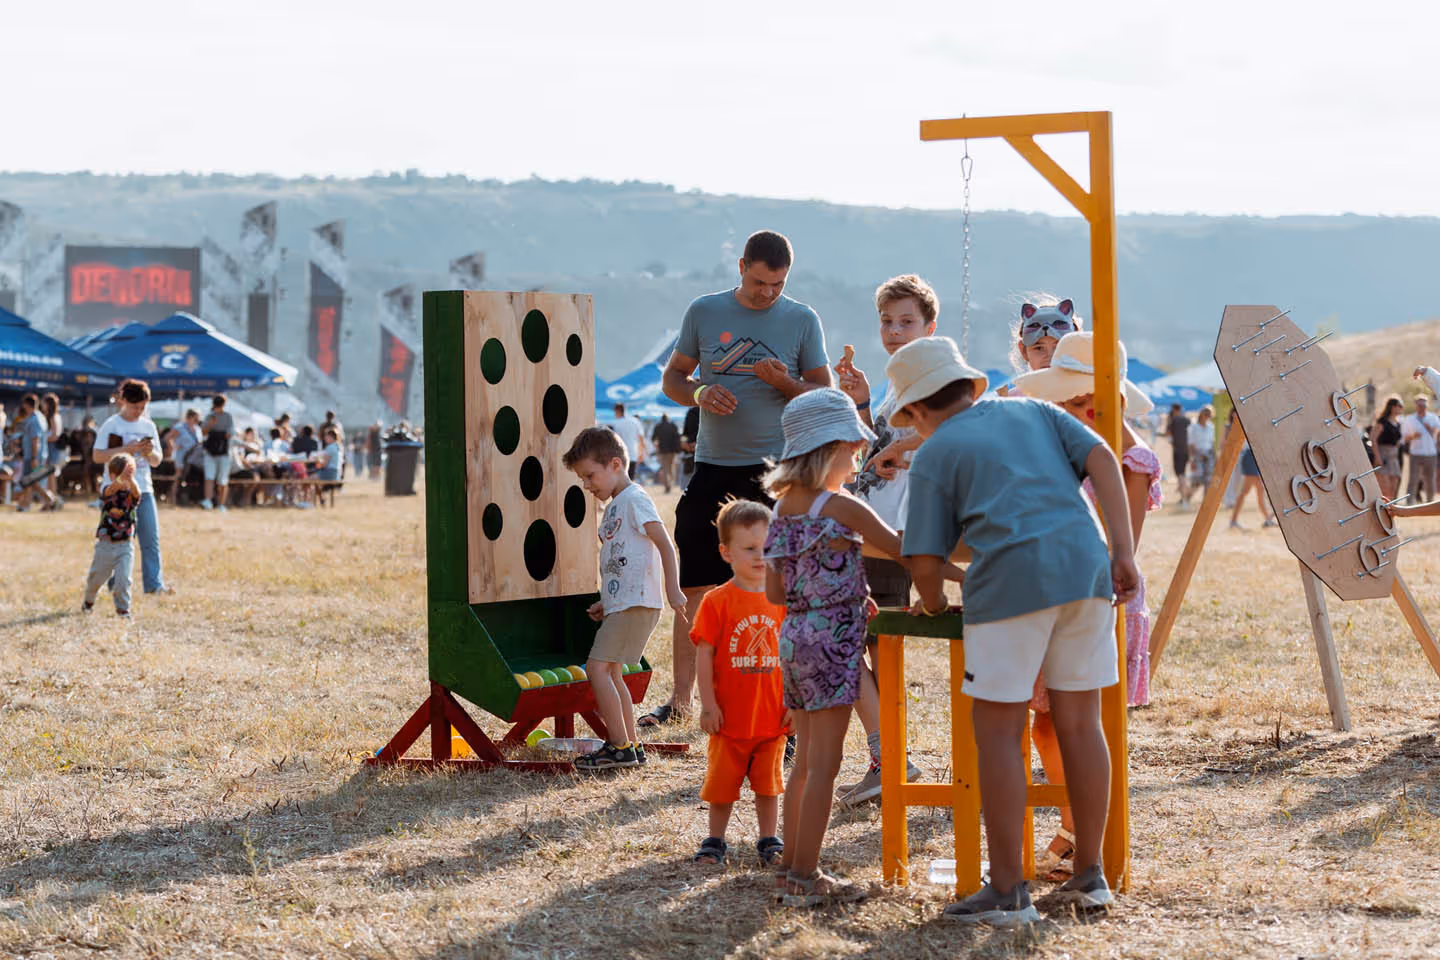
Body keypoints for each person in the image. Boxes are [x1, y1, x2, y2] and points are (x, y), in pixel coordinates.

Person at [889, 335, 1138, 922]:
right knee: (1081, 724)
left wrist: (929, 602)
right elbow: (1103, 457)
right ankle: (1090, 875)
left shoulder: (933, 452)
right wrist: (1123, 551)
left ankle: (1006, 890)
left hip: (1007, 587)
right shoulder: (1032, 409)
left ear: (917, 410)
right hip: (1086, 570)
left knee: (999, 733)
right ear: (968, 386)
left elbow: (922, 562)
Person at [761, 388, 961, 907]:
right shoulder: (842, 505)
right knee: (825, 767)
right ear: (832, 448)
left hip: (795, 638)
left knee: (804, 762)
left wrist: (835, 587)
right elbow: (903, 547)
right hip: (833, 640)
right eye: (854, 448)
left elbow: (775, 592)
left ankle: (788, 869)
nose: (859, 458)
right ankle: (806, 877)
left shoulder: (784, 508)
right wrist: (963, 571)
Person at [647, 229, 832, 729]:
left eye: (777, 285)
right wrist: (701, 393)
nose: (767, 293)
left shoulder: (801, 319)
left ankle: (786, 705)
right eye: (759, 282)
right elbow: (673, 379)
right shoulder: (704, 311)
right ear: (741, 266)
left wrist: (784, 383)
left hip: (776, 475)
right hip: (711, 468)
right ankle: (681, 701)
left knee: (777, 588)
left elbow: (823, 395)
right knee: (696, 587)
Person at [1012, 331, 1162, 879]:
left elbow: (1123, 546)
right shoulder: (1069, 447)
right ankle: (1071, 824)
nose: (1071, 413)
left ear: (1111, 400)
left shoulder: (1133, 460)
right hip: (1053, 592)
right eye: (1065, 404)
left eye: (1078, 402)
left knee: (1080, 722)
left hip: (1098, 598)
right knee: (1045, 726)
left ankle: (1078, 833)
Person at [830, 273, 938, 805]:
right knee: (859, 648)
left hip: (896, 535)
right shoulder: (900, 378)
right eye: (887, 322)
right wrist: (866, 404)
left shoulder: (934, 375)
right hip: (871, 528)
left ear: (930, 326)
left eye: (906, 321)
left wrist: (905, 444)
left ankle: (889, 759)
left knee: (865, 649)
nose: (894, 331)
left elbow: (950, 426)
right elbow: (882, 452)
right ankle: (888, 757)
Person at [561, 426, 686, 769]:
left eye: (590, 475)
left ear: (615, 464)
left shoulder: (635, 499)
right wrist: (609, 602)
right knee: (612, 673)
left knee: (597, 669)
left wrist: (673, 588)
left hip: (639, 605)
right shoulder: (617, 505)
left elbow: (664, 543)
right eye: (583, 479)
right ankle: (630, 745)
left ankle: (618, 746)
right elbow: (624, 563)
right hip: (624, 604)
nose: (587, 485)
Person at [690, 499, 789, 868]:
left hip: (772, 716)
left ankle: (770, 840)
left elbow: (792, 654)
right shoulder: (717, 601)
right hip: (728, 718)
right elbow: (704, 654)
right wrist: (708, 704)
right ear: (725, 552)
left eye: (767, 547)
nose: (760, 556)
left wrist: (794, 702)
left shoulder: (783, 599)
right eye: (749, 549)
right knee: (722, 786)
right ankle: (715, 840)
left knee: (769, 784)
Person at [95, 378, 171, 595]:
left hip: (144, 488)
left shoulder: (148, 426)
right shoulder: (111, 425)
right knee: (116, 541)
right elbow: (97, 456)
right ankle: (113, 584)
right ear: (123, 401)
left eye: (143, 407)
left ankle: (154, 585)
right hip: (116, 491)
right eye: (135, 406)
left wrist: (148, 451)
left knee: (150, 539)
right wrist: (125, 449)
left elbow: (157, 460)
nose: (139, 411)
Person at [82, 453, 140, 619]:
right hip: (105, 545)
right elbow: (110, 490)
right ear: (112, 475)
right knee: (96, 578)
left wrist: (131, 480)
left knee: (123, 580)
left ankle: (123, 610)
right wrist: (120, 480)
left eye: (130, 474)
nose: (126, 479)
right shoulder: (107, 489)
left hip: (125, 545)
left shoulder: (132, 492)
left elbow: (137, 494)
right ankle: (89, 601)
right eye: (123, 475)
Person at [16, 393, 57, 511]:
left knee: (32, 481)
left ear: (26, 405)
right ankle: (26, 504)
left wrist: (34, 457)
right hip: (35, 455)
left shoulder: (35, 419)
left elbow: (36, 440)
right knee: (30, 481)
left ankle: (50, 500)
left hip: (34, 456)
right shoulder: (39, 417)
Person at [1228, 427, 1275, 530]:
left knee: (1252, 490)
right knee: (1253, 490)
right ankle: (1234, 520)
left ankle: (1267, 518)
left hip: (1252, 456)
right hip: (1250, 456)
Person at [1401, 393, 1440, 503]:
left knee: (1430, 479)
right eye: (1420, 405)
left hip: (1431, 453)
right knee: (1413, 479)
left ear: (1426, 406)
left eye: (1424, 405)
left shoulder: (1433, 418)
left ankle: (1430, 502)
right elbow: (1404, 438)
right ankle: (1410, 502)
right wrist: (1413, 436)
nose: (1422, 407)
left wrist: (1431, 429)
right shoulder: (1409, 419)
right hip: (1415, 453)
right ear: (1416, 405)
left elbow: (1438, 434)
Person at [200, 395, 235, 512]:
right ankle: (208, 501)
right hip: (210, 452)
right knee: (209, 477)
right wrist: (211, 424)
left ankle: (221, 504)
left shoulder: (228, 416)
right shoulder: (209, 416)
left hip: (224, 452)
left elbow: (230, 434)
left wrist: (218, 433)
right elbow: (203, 433)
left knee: (222, 480)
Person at [1370, 395, 1405, 502]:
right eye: (1399, 405)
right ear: (1392, 407)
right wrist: (1377, 457)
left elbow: (1398, 442)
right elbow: (1373, 439)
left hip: (1394, 458)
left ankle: (1390, 512)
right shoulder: (1382, 422)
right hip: (1382, 455)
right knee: (1385, 489)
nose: (1401, 408)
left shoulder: (1398, 423)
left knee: (1394, 488)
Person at [608, 403, 647, 481]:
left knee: (620, 480)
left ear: (617, 411)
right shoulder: (635, 421)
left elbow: (611, 441)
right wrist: (642, 453)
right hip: (633, 454)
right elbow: (642, 439)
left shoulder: (615, 423)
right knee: (630, 480)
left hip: (619, 455)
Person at [42, 393, 66, 506]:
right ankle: (52, 498)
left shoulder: (52, 417)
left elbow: (55, 435)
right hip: (55, 449)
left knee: (50, 475)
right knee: (51, 475)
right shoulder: (56, 416)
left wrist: (43, 438)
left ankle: (53, 499)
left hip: (52, 448)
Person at [1187, 405, 1216, 496]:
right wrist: (1191, 459)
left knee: (1208, 479)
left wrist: (1215, 456)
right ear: (1201, 414)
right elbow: (1190, 444)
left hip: (1208, 453)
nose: (1207, 416)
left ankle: (1206, 500)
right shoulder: (1193, 427)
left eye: (1209, 414)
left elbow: (1211, 443)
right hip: (1197, 454)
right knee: (1197, 478)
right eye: (1206, 413)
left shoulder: (1211, 427)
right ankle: (1187, 497)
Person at [650, 413, 682, 493]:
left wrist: (656, 444)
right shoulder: (673, 426)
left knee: (665, 469)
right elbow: (677, 438)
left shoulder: (658, 426)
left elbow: (653, 438)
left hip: (662, 451)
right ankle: (671, 483)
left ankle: (667, 485)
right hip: (672, 451)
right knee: (671, 468)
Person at [1166, 403, 1191, 506]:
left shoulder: (1173, 421)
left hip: (1177, 450)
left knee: (1180, 475)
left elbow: (1168, 434)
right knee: (1183, 474)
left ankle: (1184, 497)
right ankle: (1183, 496)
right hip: (1187, 450)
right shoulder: (1187, 420)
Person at [679, 406, 699, 492]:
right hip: (692, 448)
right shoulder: (691, 412)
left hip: (700, 446)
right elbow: (685, 432)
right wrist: (684, 443)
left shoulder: (693, 411)